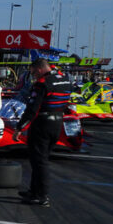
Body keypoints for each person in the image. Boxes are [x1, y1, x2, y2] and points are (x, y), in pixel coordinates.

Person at [15, 59, 73, 206]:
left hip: (42, 124)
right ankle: (33, 191)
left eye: (33, 72)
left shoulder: (42, 83)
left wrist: (20, 128)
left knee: (40, 162)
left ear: (39, 70)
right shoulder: (65, 79)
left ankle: (41, 196)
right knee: (39, 159)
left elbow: (32, 110)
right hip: (57, 122)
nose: (32, 76)